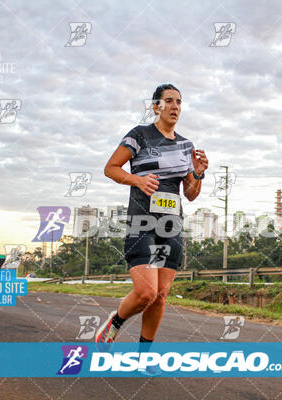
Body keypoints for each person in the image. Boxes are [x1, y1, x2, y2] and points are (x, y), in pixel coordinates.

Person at [101, 84, 209, 376]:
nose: (175, 106)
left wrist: (198, 173)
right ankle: (115, 323)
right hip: (142, 222)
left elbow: (191, 193)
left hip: (171, 225)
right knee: (146, 292)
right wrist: (137, 181)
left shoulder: (186, 146)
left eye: (179, 102)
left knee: (160, 296)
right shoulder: (139, 135)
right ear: (156, 106)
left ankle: (142, 357)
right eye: (169, 101)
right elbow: (111, 168)